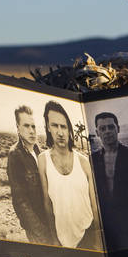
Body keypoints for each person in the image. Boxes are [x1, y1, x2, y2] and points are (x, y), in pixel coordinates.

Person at [37, 100, 100, 249]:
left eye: (63, 126)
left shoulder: (83, 162)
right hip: (62, 238)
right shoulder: (43, 160)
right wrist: (53, 238)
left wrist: (98, 238)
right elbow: (47, 203)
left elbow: (94, 204)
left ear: (69, 129)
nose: (60, 132)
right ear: (48, 127)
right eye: (54, 125)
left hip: (88, 232)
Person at [90, 111, 128, 251]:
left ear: (118, 128)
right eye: (102, 128)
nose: (107, 131)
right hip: (106, 224)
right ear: (97, 132)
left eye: (111, 127)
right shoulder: (91, 160)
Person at [6, 105, 52, 243]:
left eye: (33, 126)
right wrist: (40, 231)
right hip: (38, 229)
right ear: (18, 128)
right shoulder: (15, 155)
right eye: (26, 126)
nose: (32, 131)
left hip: (51, 221)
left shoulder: (39, 151)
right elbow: (20, 202)